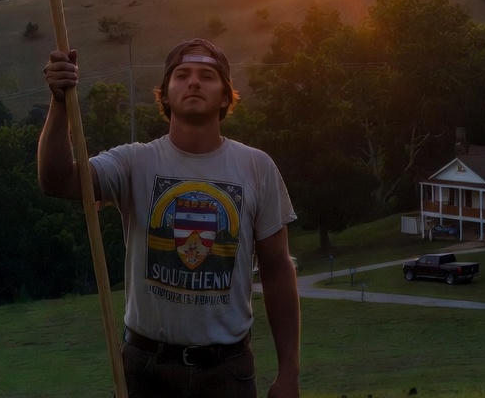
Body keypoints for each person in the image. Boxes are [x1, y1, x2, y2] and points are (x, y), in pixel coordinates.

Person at [38, 37, 300, 398]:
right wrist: (60, 102)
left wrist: (289, 373)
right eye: (182, 75)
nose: (193, 82)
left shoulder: (257, 167)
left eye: (207, 75)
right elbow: (57, 180)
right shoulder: (134, 162)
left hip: (227, 373)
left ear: (226, 97)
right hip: (145, 370)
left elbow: (277, 268)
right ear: (164, 94)